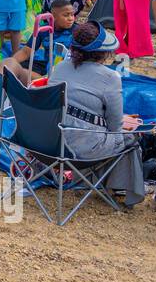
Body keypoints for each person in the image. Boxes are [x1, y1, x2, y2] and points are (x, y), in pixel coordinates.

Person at [47, 21, 145, 206]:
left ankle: (102, 182)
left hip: (48, 143)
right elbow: (115, 127)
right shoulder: (110, 77)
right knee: (132, 138)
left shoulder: (59, 68)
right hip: (83, 150)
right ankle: (121, 187)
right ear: (103, 53)